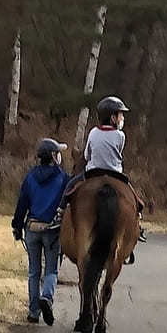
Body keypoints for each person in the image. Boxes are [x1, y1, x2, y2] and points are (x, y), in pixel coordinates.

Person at [50, 96, 146, 242]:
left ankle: (60, 213)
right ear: (112, 118)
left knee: (70, 187)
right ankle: (137, 221)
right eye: (120, 115)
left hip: (93, 173)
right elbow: (119, 152)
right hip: (115, 175)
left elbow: (87, 155)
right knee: (134, 198)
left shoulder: (93, 132)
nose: (122, 118)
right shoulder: (121, 135)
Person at [12, 138, 70, 325]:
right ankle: (47, 297)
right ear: (54, 156)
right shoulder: (63, 178)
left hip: (32, 229)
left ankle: (33, 312)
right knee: (51, 269)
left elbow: (22, 203)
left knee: (33, 272)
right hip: (52, 230)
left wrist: (17, 226)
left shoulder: (30, 177)